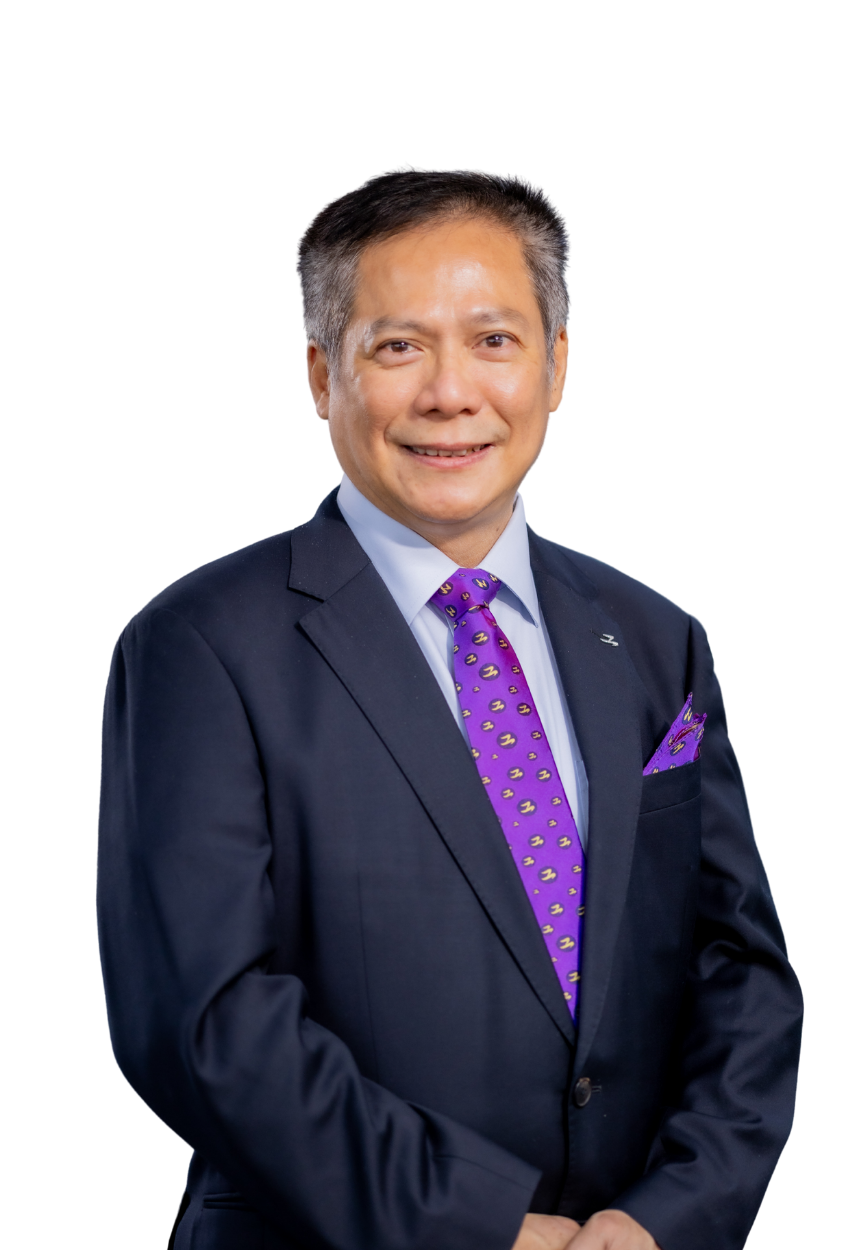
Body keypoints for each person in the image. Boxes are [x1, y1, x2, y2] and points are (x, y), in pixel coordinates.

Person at [97, 171, 802, 1250]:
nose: (450, 392)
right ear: (321, 374)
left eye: (493, 341)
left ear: (555, 365)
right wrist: (480, 1225)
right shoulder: (202, 646)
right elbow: (206, 1022)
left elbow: (736, 966)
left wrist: (665, 1218)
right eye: (397, 347)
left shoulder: (653, 639)